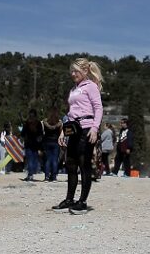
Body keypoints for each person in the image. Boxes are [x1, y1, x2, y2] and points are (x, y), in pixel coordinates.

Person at [52, 58, 104, 214]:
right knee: (70, 164)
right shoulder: (74, 89)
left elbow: (98, 108)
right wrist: (63, 131)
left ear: (85, 71)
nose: (73, 74)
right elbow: (71, 113)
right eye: (71, 72)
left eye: (76, 71)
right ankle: (69, 199)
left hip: (87, 128)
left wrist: (95, 128)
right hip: (73, 129)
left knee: (84, 164)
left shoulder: (91, 87)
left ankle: (82, 202)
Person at [22, 109, 43, 182]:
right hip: (36, 143)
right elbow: (41, 134)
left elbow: (22, 133)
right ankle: (32, 172)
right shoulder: (38, 123)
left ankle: (30, 174)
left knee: (29, 159)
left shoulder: (26, 123)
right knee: (34, 159)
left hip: (28, 143)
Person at [42, 111, 62, 182]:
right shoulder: (59, 123)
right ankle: (54, 177)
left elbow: (43, 132)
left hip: (47, 142)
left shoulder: (45, 122)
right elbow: (60, 132)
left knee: (47, 160)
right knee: (55, 160)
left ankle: (46, 177)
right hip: (55, 142)